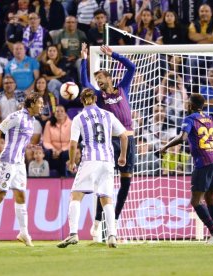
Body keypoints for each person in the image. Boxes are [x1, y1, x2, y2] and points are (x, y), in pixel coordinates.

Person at [57, 88, 128, 248]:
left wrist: (71, 161)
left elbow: (73, 143)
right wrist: (122, 156)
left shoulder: (79, 118)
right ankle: (112, 236)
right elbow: (124, 135)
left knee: (76, 196)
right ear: (95, 99)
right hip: (108, 161)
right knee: (107, 199)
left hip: (90, 160)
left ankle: (73, 234)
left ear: (81, 100)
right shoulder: (108, 115)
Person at [159, 93, 213, 245]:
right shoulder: (210, 118)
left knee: (196, 201)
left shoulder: (190, 119)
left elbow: (183, 138)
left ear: (191, 105)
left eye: (187, 103)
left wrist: (165, 146)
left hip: (204, 161)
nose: (186, 105)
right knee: (210, 197)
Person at [80, 43, 136, 237]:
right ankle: (96, 222)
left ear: (109, 78)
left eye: (100, 77)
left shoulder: (122, 88)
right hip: (110, 142)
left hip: (128, 140)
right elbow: (84, 83)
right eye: (97, 79)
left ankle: (115, 219)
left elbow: (132, 68)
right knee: (105, 183)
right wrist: (84, 59)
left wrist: (115, 55)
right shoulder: (99, 97)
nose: (98, 81)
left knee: (126, 183)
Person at [0, 92, 44, 248]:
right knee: (0, 194)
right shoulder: (17, 116)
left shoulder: (32, 120)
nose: (42, 105)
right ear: (31, 104)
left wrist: (29, 146)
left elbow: (21, 140)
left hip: (19, 163)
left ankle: (23, 232)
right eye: (40, 103)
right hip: (7, 161)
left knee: (21, 196)